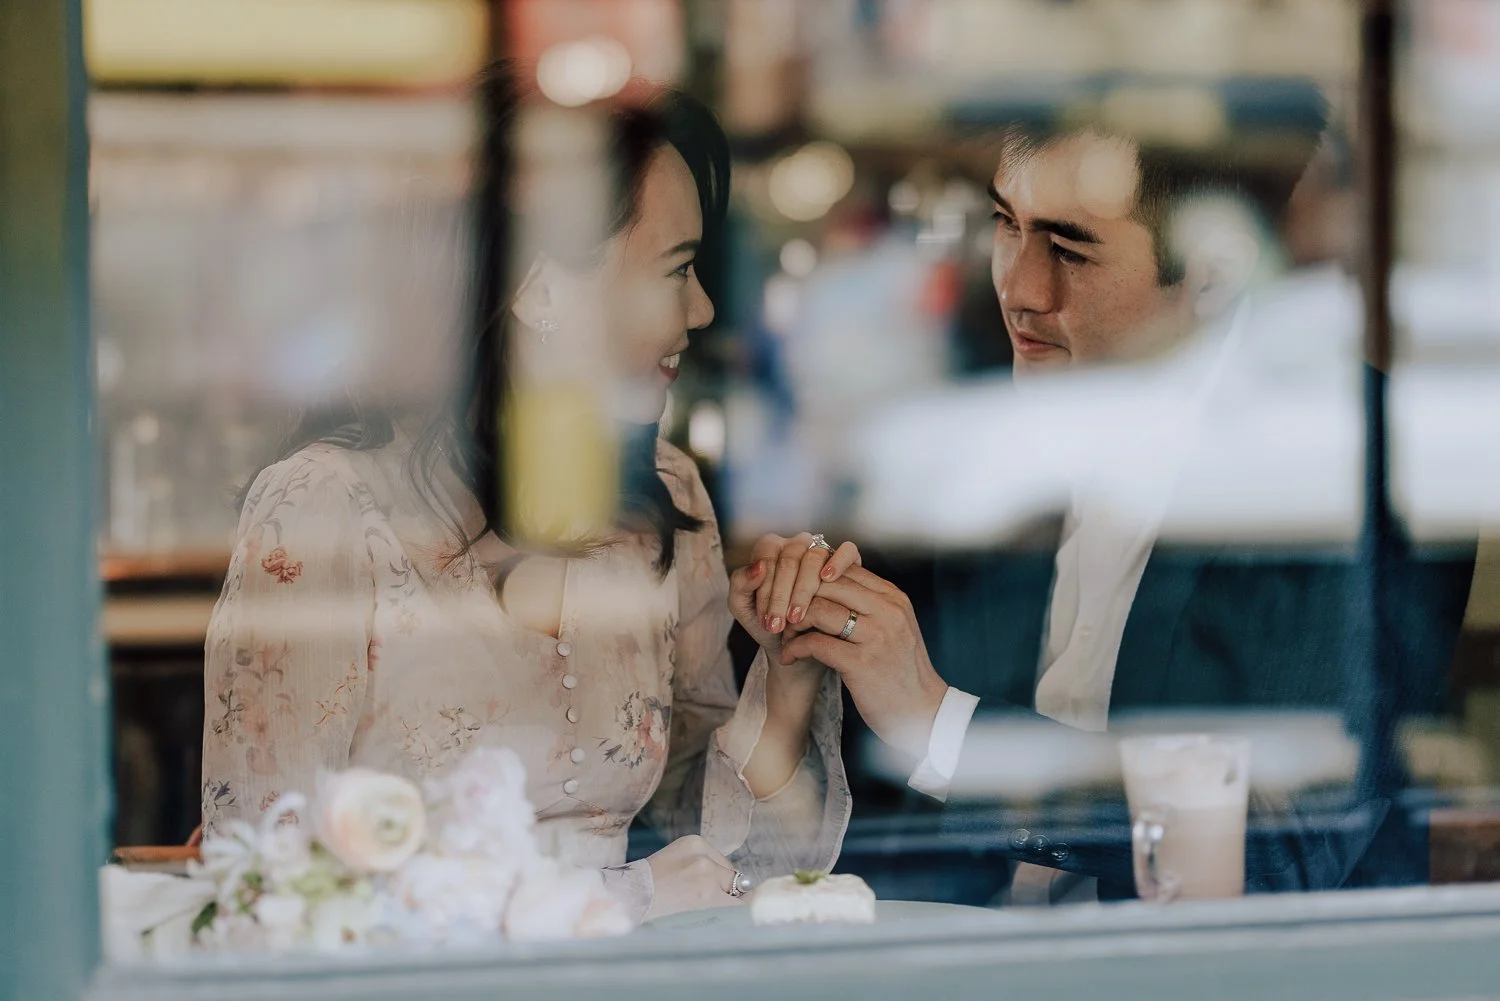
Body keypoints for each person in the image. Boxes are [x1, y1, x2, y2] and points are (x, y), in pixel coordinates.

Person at [748, 111, 1475, 902]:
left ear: (1213, 269)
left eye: (1068, 248)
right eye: (1005, 224)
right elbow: (875, 790)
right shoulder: (971, 410)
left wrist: (942, 727)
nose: (1020, 290)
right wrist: (810, 632)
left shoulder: (1354, 464)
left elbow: (1280, 846)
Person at [200, 67, 858, 924]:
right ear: (540, 285)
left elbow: (717, 853)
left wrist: (788, 671)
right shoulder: (324, 512)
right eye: (676, 269)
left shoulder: (664, 495)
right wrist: (626, 897)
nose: (700, 310)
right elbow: (270, 888)